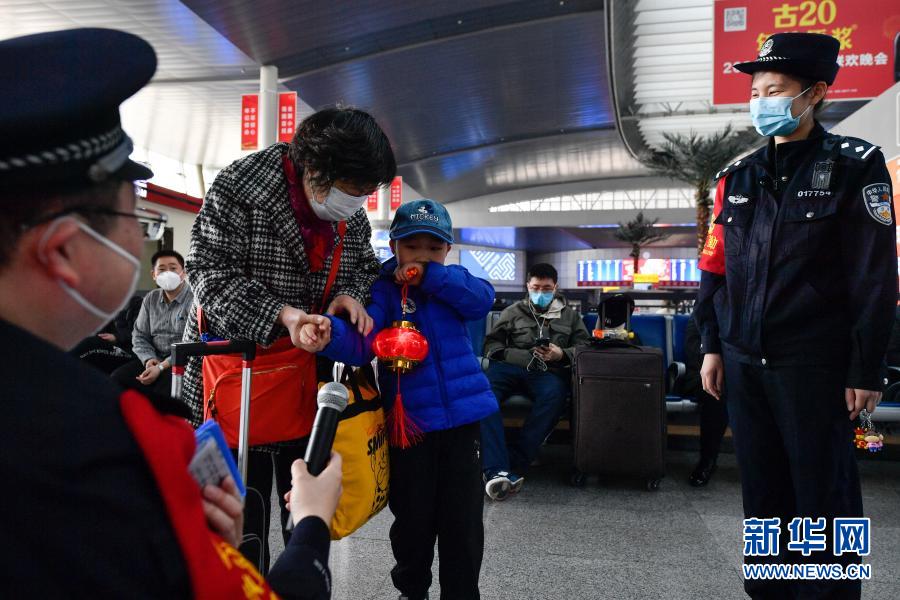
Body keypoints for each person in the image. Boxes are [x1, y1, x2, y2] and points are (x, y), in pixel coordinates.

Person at [0, 28, 341, 598]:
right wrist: (308, 532)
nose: (144, 241)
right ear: (61, 250)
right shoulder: (106, 453)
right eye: (132, 216)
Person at [695, 33, 897, 599]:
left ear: (815, 93)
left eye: (775, 90)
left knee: (823, 493)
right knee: (762, 490)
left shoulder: (856, 166)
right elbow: (716, 269)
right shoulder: (737, 176)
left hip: (815, 362)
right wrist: (712, 344)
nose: (761, 100)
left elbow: (874, 276)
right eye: (756, 90)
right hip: (743, 359)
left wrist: (866, 368)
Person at [182, 105, 396, 570]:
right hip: (240, 374)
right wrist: (284, 316)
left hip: (311, 378)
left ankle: (307, 581)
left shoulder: (347, 213)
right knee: (246, 510)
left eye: (366, 193)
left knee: (307, 510)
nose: (357, 203)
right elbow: (207, 273)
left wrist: (346, 296)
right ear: (315, 170)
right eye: (353, 191)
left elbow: (362, 264)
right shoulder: (241, 187)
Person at [307, 199, 497, 600]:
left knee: (463, 523)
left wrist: (432, 277)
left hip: (464, 424)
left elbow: (482, 300)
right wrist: (330, 336)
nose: (423, 256)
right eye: (413, 247)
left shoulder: (455, 282)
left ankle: (462, 594)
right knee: (412, 520)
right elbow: (362, 341)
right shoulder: (383, 291)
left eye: (434, 247)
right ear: (394, 247)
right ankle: (412, 591)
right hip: (408, 427)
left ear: (447, 250)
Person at [480, 263, 591, 500]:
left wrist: (561, 354)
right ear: (528, 286)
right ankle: (497, 468)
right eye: (536, 287)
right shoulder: (512, 312)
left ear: (556, 287)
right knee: (484, 394)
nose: (541, 292)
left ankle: (507, 463)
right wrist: (518, 355)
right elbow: (492, 346)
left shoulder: (570, 317)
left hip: (547, 371)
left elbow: (585, 347)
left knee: (554, 397)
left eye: (546, 288)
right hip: (509, 368)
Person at [110, 249, 193, 396]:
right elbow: (139, 335)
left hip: (183, 363)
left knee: (162, 390)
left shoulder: (194, 299)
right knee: (117, 379)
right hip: (154, 359)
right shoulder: (150, 298)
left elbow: (190, 344)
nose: (168, 273)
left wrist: (161, 367)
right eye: (161, 269)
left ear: (184, 272)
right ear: (154, 275)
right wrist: (149, 359)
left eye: (173, 268)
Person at [670, 316, 729, 487]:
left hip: (734, 374)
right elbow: (695, 352)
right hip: (700, 375)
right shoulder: (702, 316)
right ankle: (707, 460)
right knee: (715, 392)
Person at [68, 294, 143, 373]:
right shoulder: (107, 305)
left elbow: (142, 334)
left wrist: (117, 337)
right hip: (113, 346)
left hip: (133, 352)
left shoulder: (139, 305)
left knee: (90, 345)